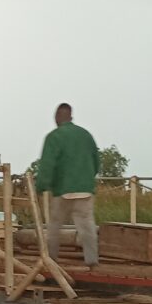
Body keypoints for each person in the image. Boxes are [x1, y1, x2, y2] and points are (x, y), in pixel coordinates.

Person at [35, 102, 99, 269]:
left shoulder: (54, 137)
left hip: (62, 190)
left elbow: (47, 165)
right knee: (87, 226)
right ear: (71, 116)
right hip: (85, 188)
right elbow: (96, 161)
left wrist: (41, 187)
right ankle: (92, 260)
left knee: (55, 225)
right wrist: (86, 179)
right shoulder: (86, 135)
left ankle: (51, 260)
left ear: (56, 118)